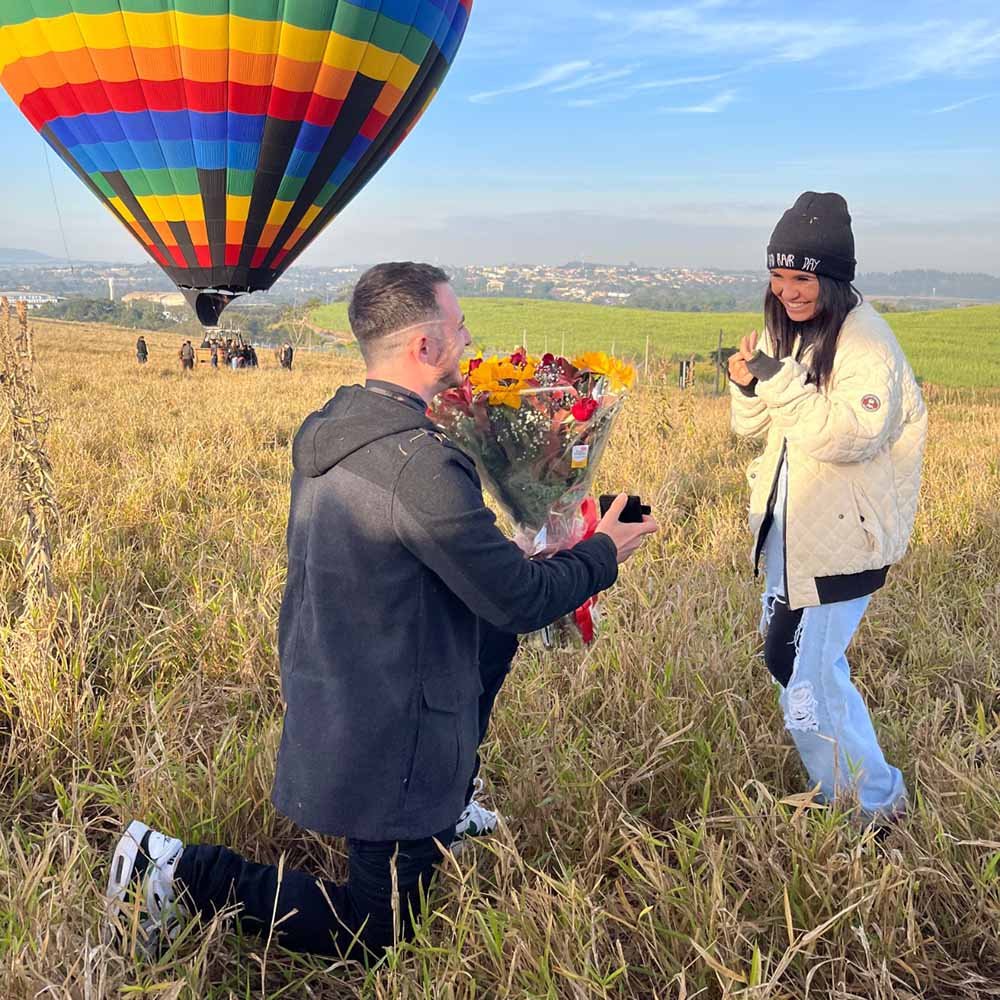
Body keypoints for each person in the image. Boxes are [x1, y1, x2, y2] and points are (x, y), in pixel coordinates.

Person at [106, 262, 658, 958]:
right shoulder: (418, 465)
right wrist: (605, 547)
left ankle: (449, 802)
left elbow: (438, 566)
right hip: (392, 726)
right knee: (380, 928)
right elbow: (519, 602)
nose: (467, 339)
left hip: (347, 679)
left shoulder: (343, 423)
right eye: (458, 327)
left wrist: (517, 544)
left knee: (486, 637)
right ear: (425, 346)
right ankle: (178, 870)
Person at [727, 192, 927, 822]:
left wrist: (776, 380)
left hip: (843, 539)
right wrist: (747, 386)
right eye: (778, 275)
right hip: (794, 532)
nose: (788, 290)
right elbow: (754, 428)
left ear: (833, 277)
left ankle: (870, 807)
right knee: (791, 663)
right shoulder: (790, 330)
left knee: (807, 681)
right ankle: (859, 788)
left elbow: (845, 436)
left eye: (802, 276)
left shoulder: (866, 341)